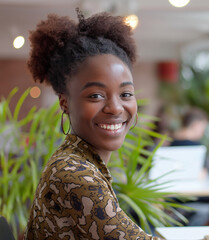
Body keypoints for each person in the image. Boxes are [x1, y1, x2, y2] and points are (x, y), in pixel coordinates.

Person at [24, 10, 161, 239]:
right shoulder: (73, 174)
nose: (116, 108)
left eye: (126, 94)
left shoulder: (78, 161)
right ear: (65, 103)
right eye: (96, 96)